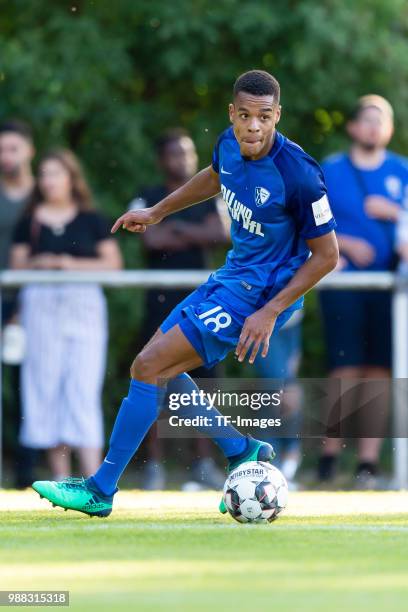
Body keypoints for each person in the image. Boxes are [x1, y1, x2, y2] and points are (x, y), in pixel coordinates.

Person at [32, 69, 338, 517]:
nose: (254, 127)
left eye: (265, 117)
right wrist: (156, 211)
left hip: (261, 295)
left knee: (148, 366)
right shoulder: (227, 145)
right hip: (231, 278)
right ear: (232, 113)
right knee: (159, 364)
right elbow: (215, 178)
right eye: (246, 116)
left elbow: (327, 256)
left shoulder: (301, 175)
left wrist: (270, 312)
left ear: (278, 116)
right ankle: (239, 449)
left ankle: (101, 489)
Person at [10, 149, 123, 480]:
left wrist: (67, 264)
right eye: (44, 174)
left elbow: (113, 265)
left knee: (83, 387)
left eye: (55, 174)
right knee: (46, 387)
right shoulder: (28, 220)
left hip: (83, 303)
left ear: (71, 178)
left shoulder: (92, 218)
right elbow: (16, 267)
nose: (49, 181)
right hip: (40, 305)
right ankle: (61, 479)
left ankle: (94, 478)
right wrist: (41, 264)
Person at [130, 128, 227, 490]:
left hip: (203, 300)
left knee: (206, 381)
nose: (182, 160)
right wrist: (193, 230)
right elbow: (150, 238)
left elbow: (221, 233)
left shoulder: (210, 192)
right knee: (153, 374)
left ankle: (204, 463)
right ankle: (153, 465)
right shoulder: (149, 195)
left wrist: (175, 228)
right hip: (159, 301)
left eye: (187, 153)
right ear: (161, 160)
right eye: (174, 153)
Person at [318, 95, 408, 487]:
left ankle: (367, 463)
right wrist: (346, 245)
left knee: (380, 373)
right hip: (343, 281)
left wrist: (395, 214)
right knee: (345, 368)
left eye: (381, 120)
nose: (374, 127)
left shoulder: (402, 171)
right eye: (367, 120)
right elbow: (309, 219)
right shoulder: (331, 170)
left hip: (390, 286)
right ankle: (327, 456)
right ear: (353, 126)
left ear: (389, 129)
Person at [0, 120, 36, 487]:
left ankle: (25, 471)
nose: (6, 156)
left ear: (29, 151)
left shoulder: (45, 195)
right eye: (1, 149)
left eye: (13, 148)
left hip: (31, 302)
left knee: (30, 387)